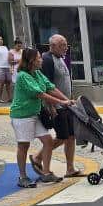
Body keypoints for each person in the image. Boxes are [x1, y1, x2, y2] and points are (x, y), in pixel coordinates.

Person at [11, 48, 72, 188]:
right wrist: (62, 103)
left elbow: (50, 88)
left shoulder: (37, 73)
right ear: (31, 60)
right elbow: (39, 94)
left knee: (48, 141)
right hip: (22, 116)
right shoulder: (23, 76)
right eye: (38, 58)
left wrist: (66, 99)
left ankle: (45, 173)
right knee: (23, 145)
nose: (41, 60)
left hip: (34, 114)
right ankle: (23, 176)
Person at [40, 35, 84, 178]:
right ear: (52, 46)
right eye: (62, 45)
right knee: (63, 137)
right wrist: (51, 106)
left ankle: (70, 168)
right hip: (57, 106)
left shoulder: (61, 58)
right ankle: (37, 157)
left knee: (71, 136)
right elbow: (46, 85)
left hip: (67, 105)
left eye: (66, 45)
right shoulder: (47, 59)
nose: (65, 48)